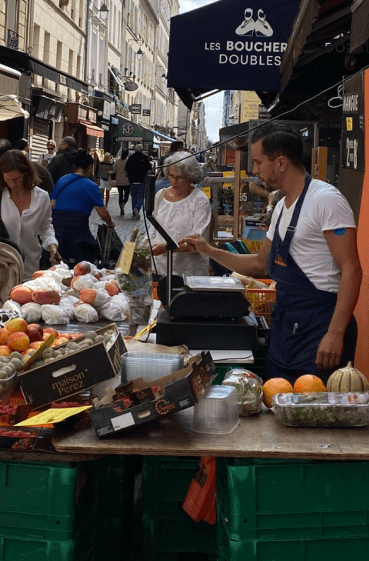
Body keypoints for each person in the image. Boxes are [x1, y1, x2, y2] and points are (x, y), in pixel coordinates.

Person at [180, 122, 362, 384]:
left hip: (319, 327)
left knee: (313, 415)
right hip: (286, 327)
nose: (254, 170)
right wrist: (208, 250)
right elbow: (259, 264)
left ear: (280, 162)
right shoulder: (280, 206)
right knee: (277, 404)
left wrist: (335, 334)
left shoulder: (326, 200)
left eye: (258, 162)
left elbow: (352, 270)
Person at [0, 149, 58, 281]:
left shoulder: (42, 197)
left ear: (26, 174)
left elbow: (46, 227)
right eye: (7, 179)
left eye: (16, 179)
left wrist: (52, 246)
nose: (12, 184)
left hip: (30, 268)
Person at [149, 151, 211, 277]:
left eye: (180, 177)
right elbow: (153, 229)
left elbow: (197, 241)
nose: (174, 181)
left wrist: (167, 247)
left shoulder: (199, 200)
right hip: (159, 269)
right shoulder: (161, 195)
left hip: (188, 272)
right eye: (171, 176)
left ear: (190, 177)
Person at [51, 150, 115, 266]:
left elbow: (52, 204)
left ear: (75, 166)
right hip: (77, 229)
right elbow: (103, 213)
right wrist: (110, 224)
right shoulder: (91, 186)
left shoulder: (62, 180)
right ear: (91, 167)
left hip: (57, 229)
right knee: (87, 259)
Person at [125, 143, 152, 219]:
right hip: (142, 181)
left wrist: (129, 176)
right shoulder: (145, 158)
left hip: (132, 181)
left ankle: (134, 211)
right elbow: (149, 169)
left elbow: (126, 169)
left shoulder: (131, 158)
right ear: (142, 150)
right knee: (140, 196)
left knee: (134, 197)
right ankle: (137, 208)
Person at [114, 149, 130, 215]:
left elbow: (114, 170)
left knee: (120, 194)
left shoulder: (117, 160)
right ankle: (123, 203)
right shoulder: (128, 160)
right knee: (126, 195)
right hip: (126, 180)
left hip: (119, 180)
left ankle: (121, 207)